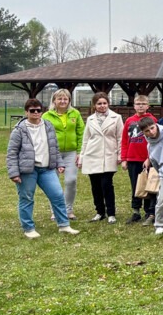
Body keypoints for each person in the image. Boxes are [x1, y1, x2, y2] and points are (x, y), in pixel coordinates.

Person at [7, 98, 79, 238]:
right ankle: (29, 228)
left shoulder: (48, 126)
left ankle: (64, 225)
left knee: (57, 195)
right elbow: (11, 153)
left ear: (42, 111)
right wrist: (14, 173)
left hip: (47, 169)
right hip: (28, 170)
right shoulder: (19, 130)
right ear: (26, 112)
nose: (35, 113)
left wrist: (60, 163)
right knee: (27, 198)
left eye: (38, 110)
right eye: (32, 110)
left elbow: (54, 147)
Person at [80, 92, 123, 223]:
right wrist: (82, 156)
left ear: (108, 104)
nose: (102, 106)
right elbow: (86, 139)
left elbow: (120, 137)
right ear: (94, 105)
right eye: (99, 104)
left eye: (104, 103)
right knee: (95, 186)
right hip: (92, 154)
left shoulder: (116, 117)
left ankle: (111, 213)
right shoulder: (90, 119)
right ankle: (99, 212)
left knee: (106, 184)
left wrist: (120, 154)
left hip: (109, 154)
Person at [42, 88, 84, 221]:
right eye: (59, 98)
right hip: (53, 153)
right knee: (53, 183)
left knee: (70, 180)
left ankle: (68, 209)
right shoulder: (46, 116)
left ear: (69, 100)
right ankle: (55, 210)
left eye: (65, 99)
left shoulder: (75, 114)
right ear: (54, 100)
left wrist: (79, 152)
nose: (62, 101)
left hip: (71, 152)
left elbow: (81, 133)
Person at [121, 94, 156, 224]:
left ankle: (149, 211)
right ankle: (136, 211)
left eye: (143, 104)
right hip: (132, 157)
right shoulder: (129, 121)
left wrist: (149, 158)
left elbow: (154, 141)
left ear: (147, 106)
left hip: (146, 159)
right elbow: (125, 140)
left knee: (148, 184)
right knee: (135, 184)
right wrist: (124, 158)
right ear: (134, 105)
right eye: (138, 104)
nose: (140, 106)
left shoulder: (152, 120)